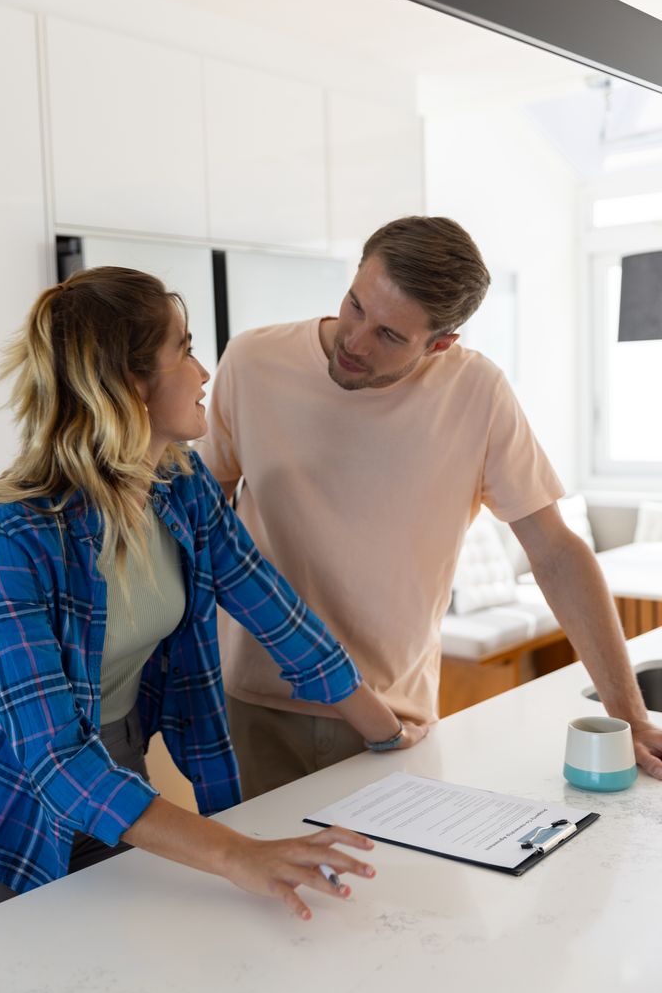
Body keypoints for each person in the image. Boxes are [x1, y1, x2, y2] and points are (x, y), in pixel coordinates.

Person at [0, 266, 426, 928]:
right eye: (186, 348)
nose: (204, 372)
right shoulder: (13, 533)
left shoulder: (180, 483)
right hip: (11, 803)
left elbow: (273, 608)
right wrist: (238, 856)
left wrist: (392, 739)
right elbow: (55, 759)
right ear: (129, 384)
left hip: (122, 771)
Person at [197, 215, 662, 799]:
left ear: (441, 344)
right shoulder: (251, 361)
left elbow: (555, 550)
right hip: (252, 702)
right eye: (355, 305)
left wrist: (631, 715)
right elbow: (195, 520)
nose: (356, 341)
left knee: (396, 888)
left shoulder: (478, 392)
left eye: (391, 335)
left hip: (395, 718)